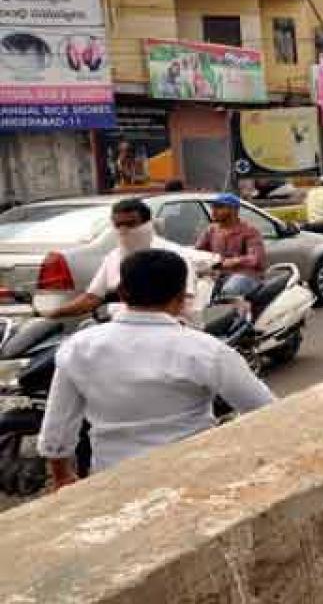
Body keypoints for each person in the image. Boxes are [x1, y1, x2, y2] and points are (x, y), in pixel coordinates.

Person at [37, 249, 275, 489]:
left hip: (111, 482)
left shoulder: (78, 347)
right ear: (182, 298)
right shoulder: (205, 350)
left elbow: (58, 428)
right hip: (192, 480)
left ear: (121, 292)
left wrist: (62, 477)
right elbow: (266, 410)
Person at [41, 199, 197, 320]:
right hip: (121, 327)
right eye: (118, 225)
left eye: (130, 224)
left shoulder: (174, 257)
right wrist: (52, 314)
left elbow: (185, 302)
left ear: (147, 224)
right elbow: (92, 298)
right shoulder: (113, 258)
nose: (123, 230)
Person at [194, 194, 266, 281]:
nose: (214, 211)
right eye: (213, 207)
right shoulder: (211, 230)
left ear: (234, 210)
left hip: (245, 276)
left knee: (235, 283)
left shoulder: (249, 231)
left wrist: (233, 261)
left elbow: (256, 258)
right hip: (217, 277)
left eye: (219, 207)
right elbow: (197, 252)